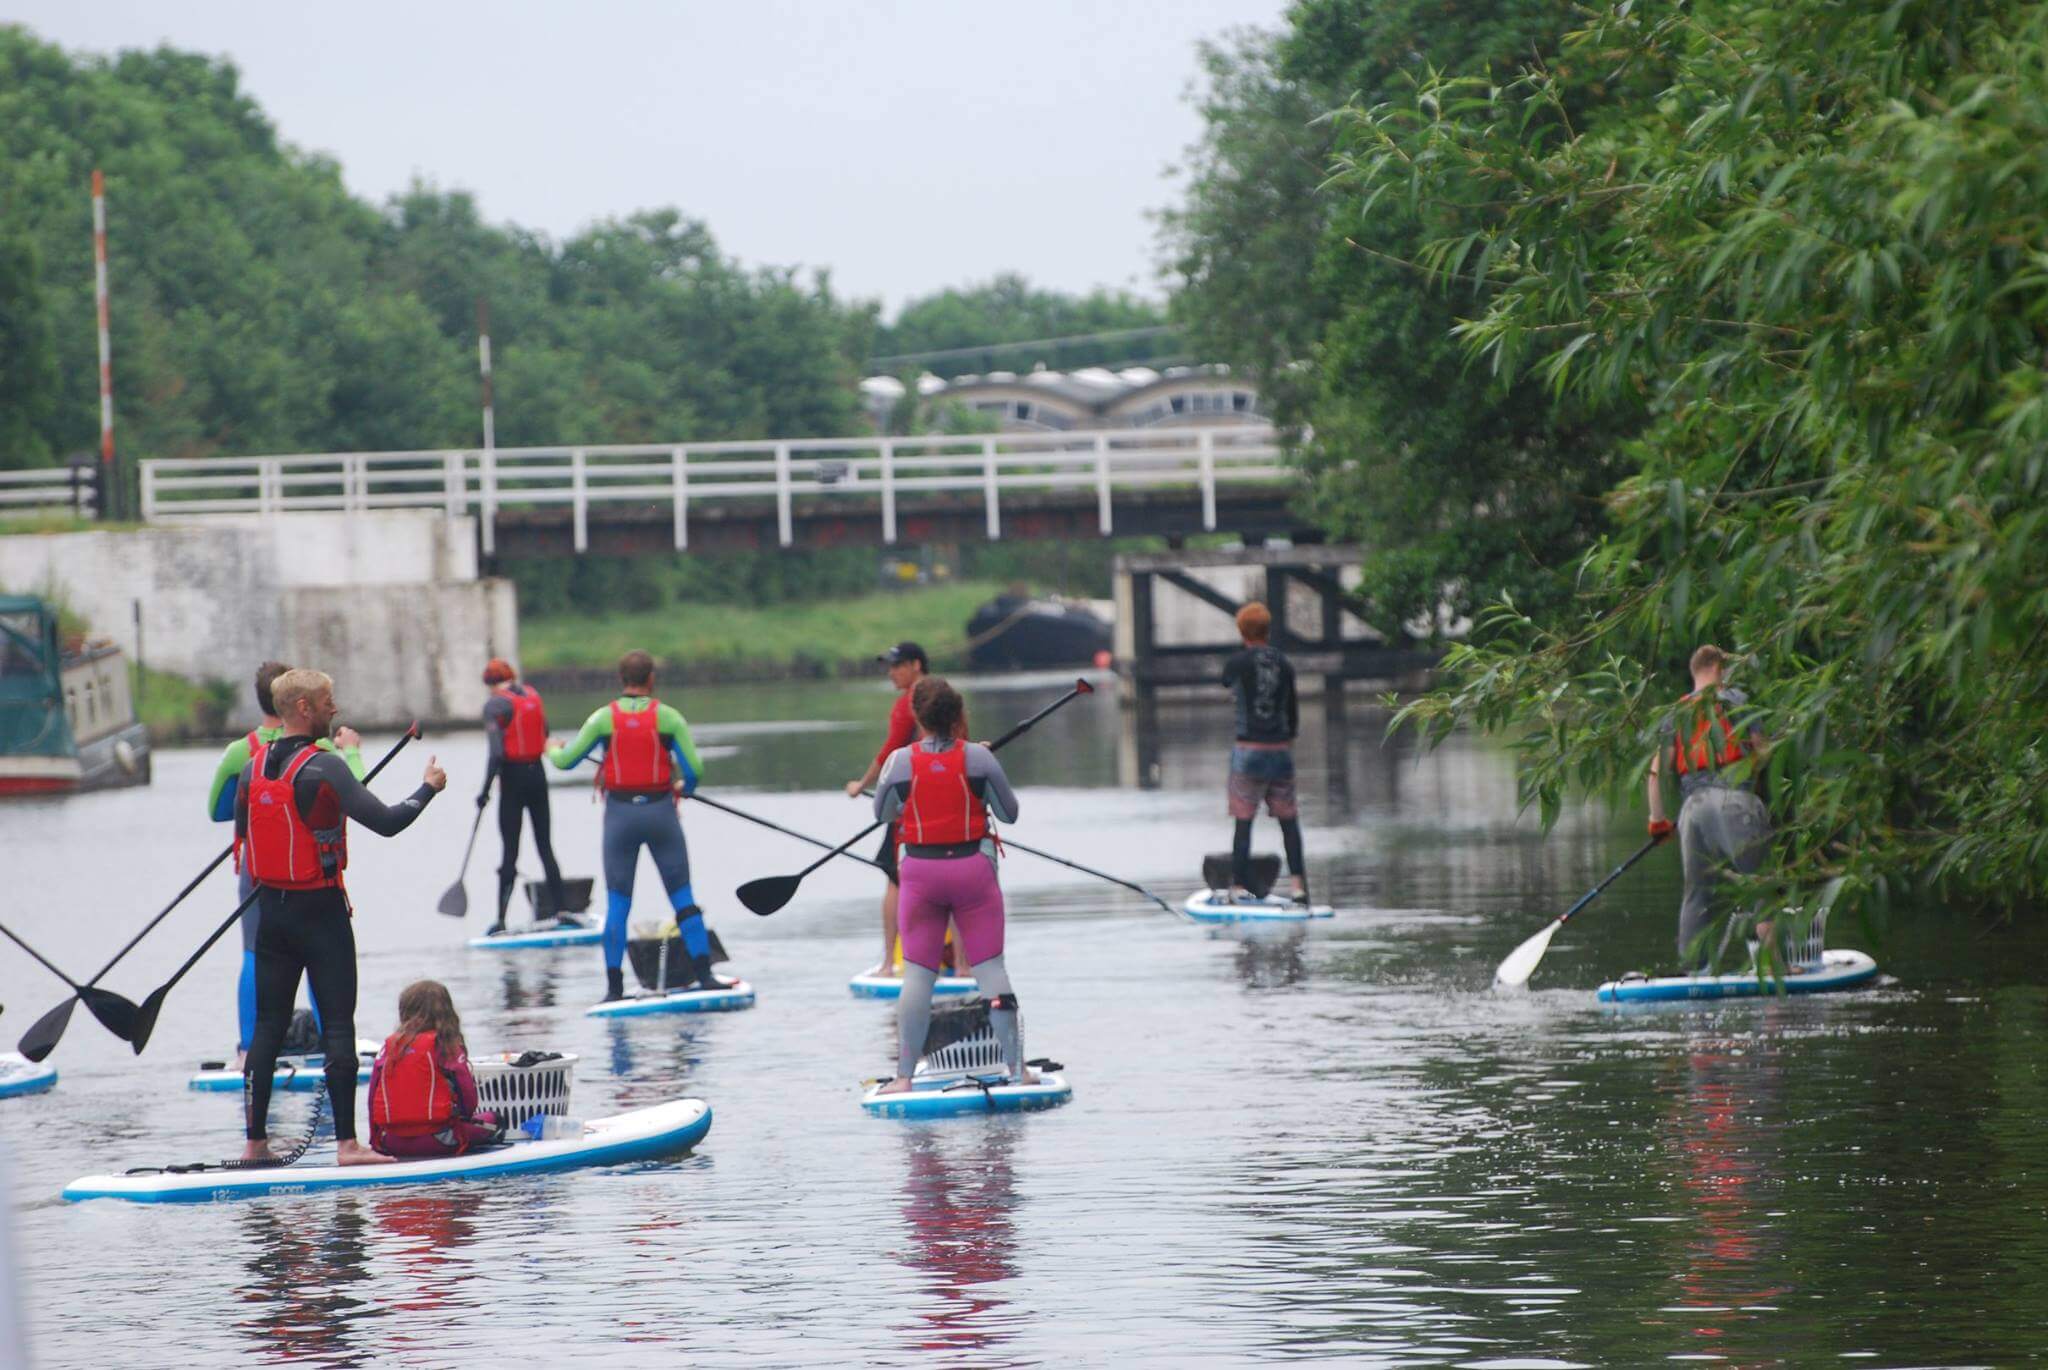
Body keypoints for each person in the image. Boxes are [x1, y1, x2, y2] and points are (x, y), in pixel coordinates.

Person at [237, 668, 446, 1166]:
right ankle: (348, 1145)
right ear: (305, 708)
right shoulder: (324, 767)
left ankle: (254, 1143)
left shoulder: (253, 768)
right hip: (321, 912)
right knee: (337, 1026)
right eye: (328, 701)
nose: (336, 709)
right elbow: (389, 822)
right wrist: (428, 788)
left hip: (271, 915)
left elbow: (247, 831)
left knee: (266, 1028)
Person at [872, 677, 1029, 1095]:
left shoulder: (898, 763)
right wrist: (982, 774)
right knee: (991, 970)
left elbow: (884, 814)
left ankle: (904, 1078)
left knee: (918, 978)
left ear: (918, 718)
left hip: (920, 876)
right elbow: (1008, 814)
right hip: (973, 872)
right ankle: (1017, 1070)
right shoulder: (979, 758)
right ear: (957, 714)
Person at [547, 650, 729, 1002]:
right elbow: (695, 769)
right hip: (661, 815)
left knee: (618, 905)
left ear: (621, 680)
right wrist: (685, 789)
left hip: (620, 819)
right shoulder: (670, 718)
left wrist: (550, 748)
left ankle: (613, 990)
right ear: (651, 680)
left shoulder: (602, 719)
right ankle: (705, 977)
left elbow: (567, 762)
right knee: (683, 897)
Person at [206, 660, 364, 1065]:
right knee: (317, 958)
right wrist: (352, 753)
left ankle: (247, 1049)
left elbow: (218, 812)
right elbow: (359, 793)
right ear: (301, 703)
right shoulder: (322, 751)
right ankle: (331, 1041)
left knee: (253, 955)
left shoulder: (240, 752)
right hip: (309, 878)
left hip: (258, 876)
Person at [1648, 644, 1773, 969]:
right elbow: (1763, 752)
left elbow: (1655, 772)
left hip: (1693, 809)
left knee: (1697, 895)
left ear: (1695, 672)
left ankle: (1694, 974)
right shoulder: (1737, 702)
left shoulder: (1675, 714)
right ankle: (1776, 969)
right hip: (1736, 802)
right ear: (1720, 670)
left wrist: (1658, 821)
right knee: (1761, 887)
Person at [844, 642, 926, 975]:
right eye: (890, 666)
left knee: (894, 878)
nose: (892, 672)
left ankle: (888, 964)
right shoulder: (945, 696)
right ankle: (960, 964)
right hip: (947, 798)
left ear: (916, 665)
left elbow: (891, 750)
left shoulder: (908, 702)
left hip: (910, 805)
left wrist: (860, 785)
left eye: (898, 666)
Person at [1220, 603, 1309, 904]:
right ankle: (1298, 886)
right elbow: (1293, 712)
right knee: (1289, 822)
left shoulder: (1237, 662)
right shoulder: (1285, 664)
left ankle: (1238, 886)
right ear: (1268, 630)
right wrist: (1287, 738)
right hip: (1281, 751)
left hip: (1249, 752)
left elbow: (1225, 681)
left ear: (1242, 631)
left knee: (1244, 821)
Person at [478, 658, 573, 935]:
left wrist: (484, 791)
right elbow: (545, 733)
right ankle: (562, 910)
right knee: (545, 845)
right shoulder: (532, 695)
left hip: (513, 779)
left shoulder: (495, 704)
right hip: (538, 776)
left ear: (490, 684)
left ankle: (501, 920)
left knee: (510, 852)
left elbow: (496, 753)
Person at [368, 980, 503, 1158]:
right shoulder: (446, 1046)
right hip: (440, 1140)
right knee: (495, 1120)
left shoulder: (388, 1048)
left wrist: (375, 1142)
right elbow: (468, 1098)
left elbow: (371, 1101)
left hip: (391, 1142)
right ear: (447, 1012)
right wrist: (462, 1118)